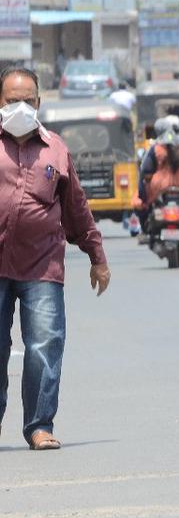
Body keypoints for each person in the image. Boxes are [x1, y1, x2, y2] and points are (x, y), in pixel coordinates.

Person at [0, 67, 110, 450]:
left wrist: (97, 256)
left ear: (39, 103)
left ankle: (39, 425)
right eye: (12, 100)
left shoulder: (56, 150)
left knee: (45, 345)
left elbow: (76, 209)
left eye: (27, 100)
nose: (20, 107)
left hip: (42, 267)